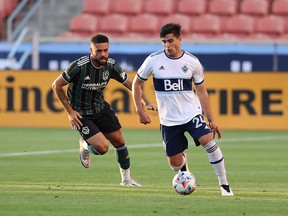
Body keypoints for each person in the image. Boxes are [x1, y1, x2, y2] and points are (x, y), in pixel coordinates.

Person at [132, 23, 234, 196]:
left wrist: (211, 119)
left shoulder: (192, 62)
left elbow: (202, 91)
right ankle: (184, 165)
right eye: (164, 42)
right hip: (168, 119)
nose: (167, 45)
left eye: (170, 41)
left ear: (180, 39)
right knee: (174, 163)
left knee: (207, 140)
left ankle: (224, 185)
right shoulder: (153, 60)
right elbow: (137, 83)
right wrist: (139, 110)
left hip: (191, 113)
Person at [52, 34, 156, 186]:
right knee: (102, 148)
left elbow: (131, 84)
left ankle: (126, 180)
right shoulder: (79, 66)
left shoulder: (111, 65)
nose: (103, 54)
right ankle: (85, 145)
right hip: (81, 114)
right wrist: (70, 112)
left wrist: (146, 102)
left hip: (101, 109)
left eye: (105, 50)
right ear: (91, 50)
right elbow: (56, 85)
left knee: (119, 141)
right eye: (98, 51)